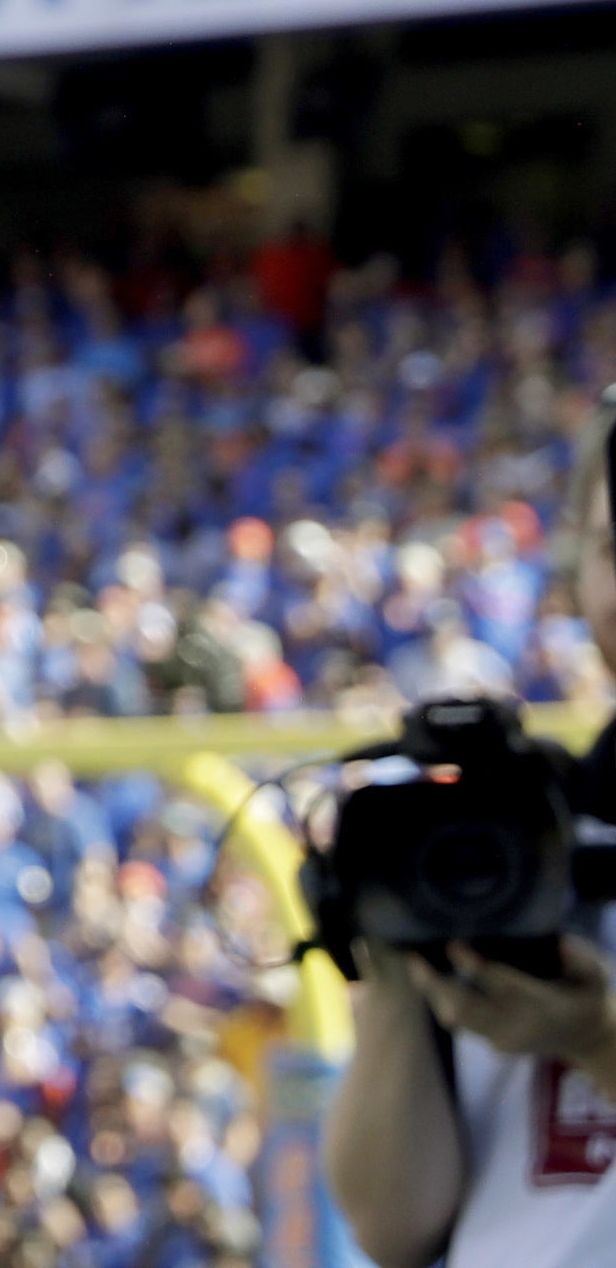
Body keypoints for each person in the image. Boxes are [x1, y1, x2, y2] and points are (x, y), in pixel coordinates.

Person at [326, 387, 616, 1268]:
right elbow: (392, 1224)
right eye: (613, 546)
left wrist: (595, 1041)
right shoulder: (516, 832)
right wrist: (398, 965)